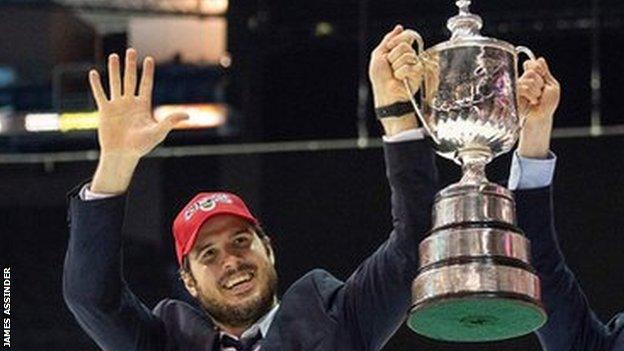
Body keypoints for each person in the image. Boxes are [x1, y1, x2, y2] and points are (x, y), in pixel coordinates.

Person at [61, 24, 561, 350]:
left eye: (240, 241)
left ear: (268, 248)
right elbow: (91, 298)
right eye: (207, 255)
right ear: (188, 281)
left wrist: (395, 112)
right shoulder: (167, 340)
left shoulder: (334, 317)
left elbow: (413, 245)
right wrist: (115, 166)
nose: (231, 260)